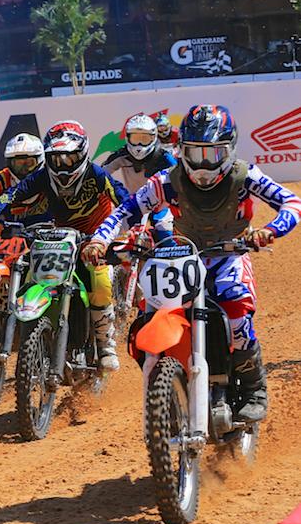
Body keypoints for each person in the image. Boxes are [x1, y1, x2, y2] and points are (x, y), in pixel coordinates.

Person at [83, 104, 301, 422]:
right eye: (194, 153)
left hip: (229, 255)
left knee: (237, 314)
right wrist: (100, 240)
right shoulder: (166, 180)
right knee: (149, 315)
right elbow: (125, 211)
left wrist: (271, 230)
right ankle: (169, 380)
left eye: (212, 154)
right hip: (182, 256)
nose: (202, 163)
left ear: (229, 150)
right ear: (182, 150)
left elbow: (291, 201)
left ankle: (254, 389)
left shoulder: (244, 174)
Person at [0, 120, 130, 371]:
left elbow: (123, 196)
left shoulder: (96, 174)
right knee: (32, 271)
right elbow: (12, 193)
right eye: (56, 159)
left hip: (94, 238)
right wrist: (0, 216)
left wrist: (132, 224)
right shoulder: (42, 175)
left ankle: (105, 344)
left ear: (83, 154)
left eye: (70, 158)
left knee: (100, 281)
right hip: (58, 237)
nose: (63, 165)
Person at [101, 114, 177, 193]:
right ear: (128, 137)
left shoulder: (164, 156)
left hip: (160, 199)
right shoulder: (121, 155)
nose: (139, 145)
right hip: (131, 199)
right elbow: (100, 174)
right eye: (135, 138)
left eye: (145, 139)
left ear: (153, 137)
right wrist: (114, 191)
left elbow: (179, 178)